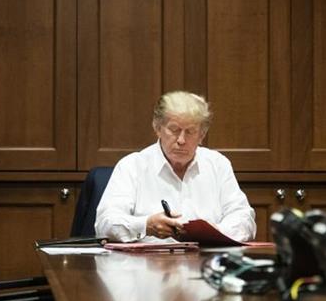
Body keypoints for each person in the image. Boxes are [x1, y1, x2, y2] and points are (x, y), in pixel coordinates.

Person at [95, 90, 256, 242]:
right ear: (157, 128)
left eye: (190, 132)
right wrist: (146, 225)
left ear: (202, 135)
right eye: (174, 130)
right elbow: (105, 223)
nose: (181, 140)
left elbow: (244, 218)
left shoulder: (218, 165)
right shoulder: (132, 166)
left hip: (204, 264)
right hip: (146, 267)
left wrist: (217, 231)